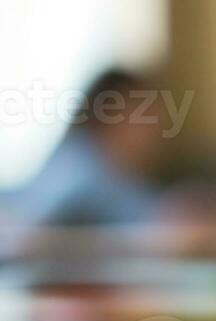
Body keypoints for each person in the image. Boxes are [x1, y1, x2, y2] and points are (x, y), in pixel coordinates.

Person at [10, 67, 166, 231]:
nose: (156, 129)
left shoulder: (118, 173)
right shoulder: (78, 166)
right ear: (111, 114)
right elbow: (35, 229)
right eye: (146, 116)